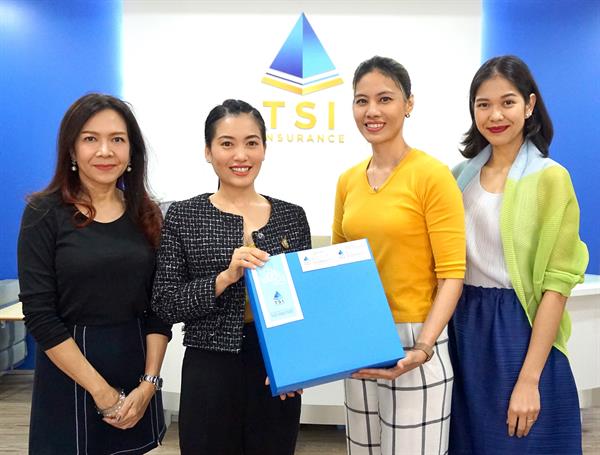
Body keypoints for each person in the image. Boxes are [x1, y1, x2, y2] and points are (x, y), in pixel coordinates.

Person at [151, 99, 311, 455]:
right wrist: (224, 278)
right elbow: (165, 303)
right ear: (208, 152)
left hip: (273, 365)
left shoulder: (292, 216)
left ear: (264, 148)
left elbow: (303, 301)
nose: (241, 155)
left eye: (252, 143)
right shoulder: (184, 215)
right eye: (227, 143)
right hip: (209, 365)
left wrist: (294, 361)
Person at [448, 55, 588, 454]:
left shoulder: (550, 178)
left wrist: (529, 379)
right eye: (483, 104)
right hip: (462, 328)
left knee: (518, 441)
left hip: (519, 329)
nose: (495, 115)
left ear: (529, 106)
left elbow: (557, 286)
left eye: (507, 102)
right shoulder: (458, 177)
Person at [17, 93, 171, 454]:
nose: (105, 151)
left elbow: (159, 308)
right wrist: (102, 393)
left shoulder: (147, 214)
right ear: (71, 150)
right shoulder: (44, 213)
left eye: (117, 139)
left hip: (135, 372)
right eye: (90, 139)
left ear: (132, 151)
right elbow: (40, 315)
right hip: (69, 372)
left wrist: (149, 383)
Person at [332, 56, 466, 454]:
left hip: (417, 337)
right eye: (361, 101)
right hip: (361, 336)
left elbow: (452, 274)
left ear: (408, 104)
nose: (371, 111)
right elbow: (338, 269)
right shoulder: (347, 181)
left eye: (385, 99)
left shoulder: (432, 175)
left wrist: (423, 347)